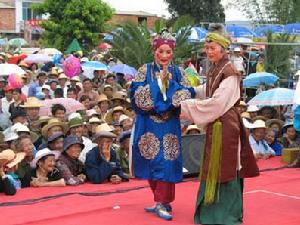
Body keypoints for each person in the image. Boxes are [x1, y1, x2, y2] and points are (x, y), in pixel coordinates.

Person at [180, 24, 259, 225]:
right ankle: (212, 212)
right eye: (207, 48)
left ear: (223, 49)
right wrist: (191, 91)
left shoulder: (230, 71)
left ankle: (225, 215)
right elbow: (209, 90)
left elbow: (217, 103)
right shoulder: (217, 68)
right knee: (213, 165)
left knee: (226, 166)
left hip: (225, 127)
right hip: (217, 126)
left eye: (212, 48)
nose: (209, 52)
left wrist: (185, 106)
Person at [130, 30, 195, 220]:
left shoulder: (178, 72)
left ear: (173, 53)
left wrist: (169, 93)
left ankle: (163, 201)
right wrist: (158, 88)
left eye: (168, 52)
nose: (165, 56)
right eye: (161, 51)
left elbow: (187, 92)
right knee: (150, 159)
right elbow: (136, 94)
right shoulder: (144, 70)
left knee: (167, 161)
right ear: (154, 52)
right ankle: (159, 200)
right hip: (147, 123)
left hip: (168, 125)